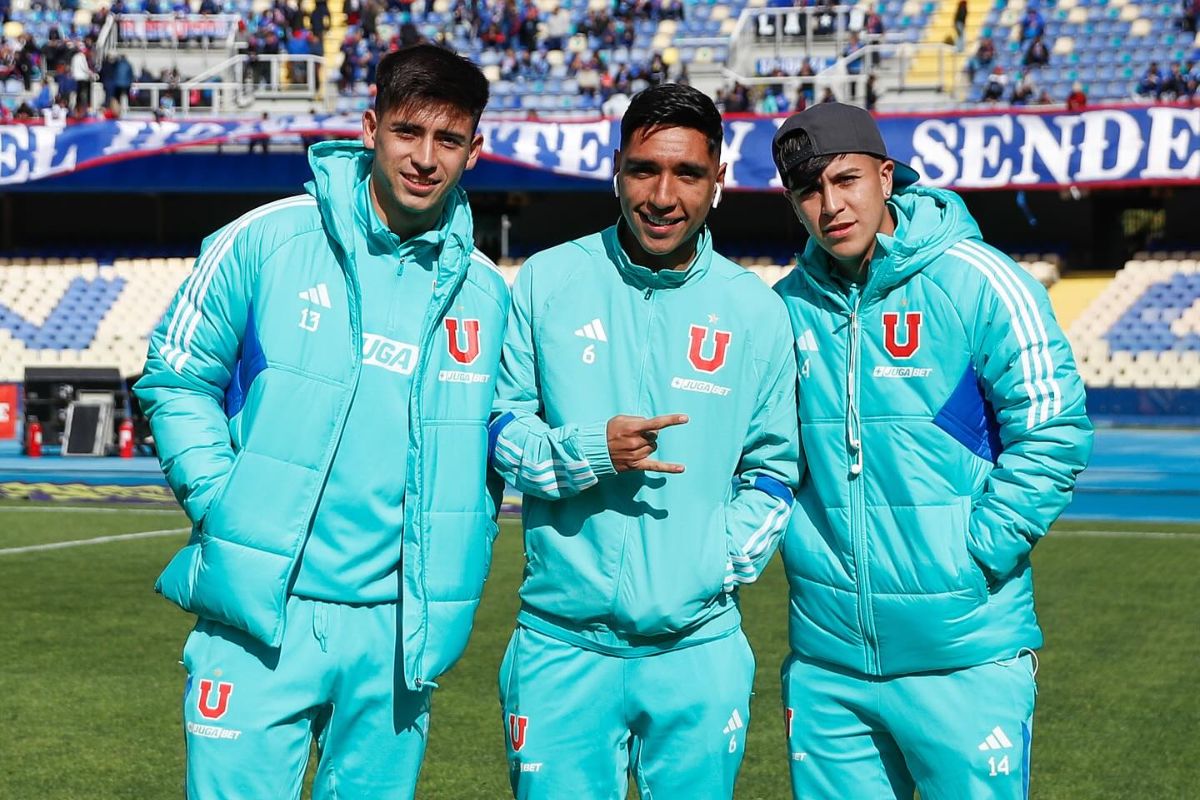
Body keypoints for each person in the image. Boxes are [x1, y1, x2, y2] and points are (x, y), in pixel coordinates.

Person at [133, 44, 508, 799]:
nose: (425, 159)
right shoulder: (268, 238)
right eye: (408, 132)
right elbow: (176, 377)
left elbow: (500, 439)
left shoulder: (488, 294)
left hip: (395, 639)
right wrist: (222, 500)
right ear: (370, 127)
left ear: (475, 150)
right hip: (259, 620)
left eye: (449, 140)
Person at [770, 102, 1092, 800]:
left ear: (886, 177)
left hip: (963, 659)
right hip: (829, 668)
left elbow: (1054, 429)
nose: (830, 206)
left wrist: (973, 554)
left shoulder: (978, 280)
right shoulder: (786, 307)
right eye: (808, 190)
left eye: (846, 180)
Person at [490, 83, 801, 800]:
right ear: (616, 169)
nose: (662, 196)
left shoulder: (755, 309)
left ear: (717, 181)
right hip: (560, 647)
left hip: (697, 650)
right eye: (643, 170)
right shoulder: (547, 280)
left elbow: (775, 471)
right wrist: (591, 450)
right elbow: (504, 431)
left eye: (687, 174)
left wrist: (711, 563)